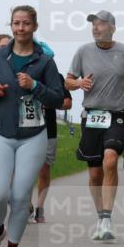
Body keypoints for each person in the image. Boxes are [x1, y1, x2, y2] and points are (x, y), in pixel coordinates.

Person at [0, 5, 64, 247]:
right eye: (16, 23)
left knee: (20, 197)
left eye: (26, 24)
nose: (20, 28)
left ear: (34, 27)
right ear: (11, 26)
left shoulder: (45, 62)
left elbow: (59, 98)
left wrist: (35, 86)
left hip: (33, 136)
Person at [65, 10, 124, 241]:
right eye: (93, 25)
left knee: (110, 160)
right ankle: (100, 216)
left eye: (101, 24)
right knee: (95, 172)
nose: (96, 28)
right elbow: (67, 82)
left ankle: (108, 218)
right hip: (91, 116)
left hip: (117, 115)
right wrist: (79, 82)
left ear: (112, 28)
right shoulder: (83, 51)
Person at [30, 72, 72, 223]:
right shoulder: (20, 72)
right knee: (24, 170)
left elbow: (68, 103)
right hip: (24, 130)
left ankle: (39, 209)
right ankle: (26, 206)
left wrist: (51, 102)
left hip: (48, 130)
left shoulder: (55, 76)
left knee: (44, 170)